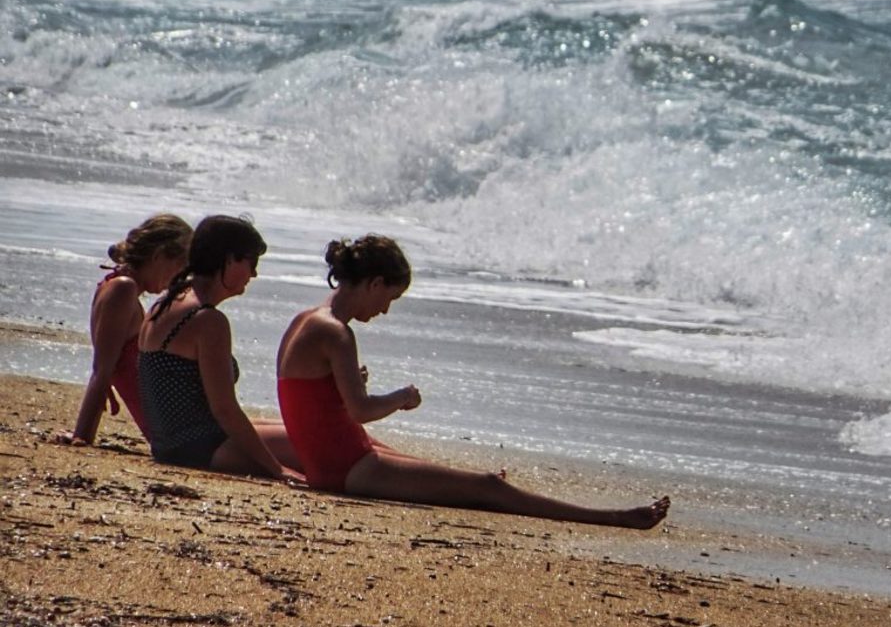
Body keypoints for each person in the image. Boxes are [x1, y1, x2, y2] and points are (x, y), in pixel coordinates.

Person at [276, 234, 670, 529]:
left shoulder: (306, 319)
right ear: (375, 283)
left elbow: (311, 399)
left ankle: (461, 483)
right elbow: (361, 411)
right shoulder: (337, 333)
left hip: (333, 462)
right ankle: (614, 517)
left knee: (454, 478)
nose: (384, 310)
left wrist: (348, 387)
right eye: (388, 299)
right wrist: (401, 397)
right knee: (486, 488)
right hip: (348, 469)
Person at [138, 215, 302, 482]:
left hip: (170, 442)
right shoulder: (207, 320)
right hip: (198, 446)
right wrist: (277, 469)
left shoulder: (167, 302)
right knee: (318, 442)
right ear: (229, 260)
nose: (254, 274)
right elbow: (224, 409)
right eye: (251, 263)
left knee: (305, 431)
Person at [60, 214, 193, 447]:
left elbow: (107, 363)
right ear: (159, 256)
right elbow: (102, 369)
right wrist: (82, 436)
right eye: (180, 266)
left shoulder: (118, 286)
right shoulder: (122, 289)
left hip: (178, 422)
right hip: (176, 432)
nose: (179, 278)